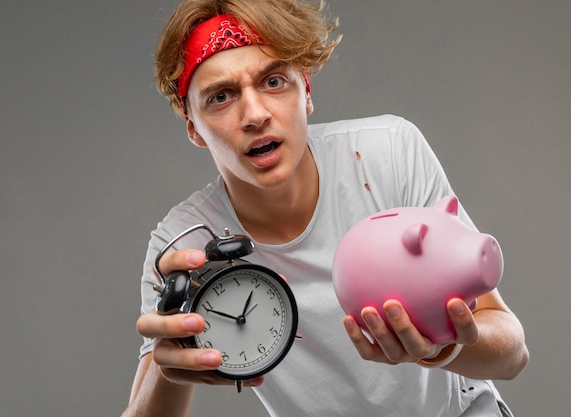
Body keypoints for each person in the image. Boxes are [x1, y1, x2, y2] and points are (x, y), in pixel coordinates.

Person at [122, 0, 529, 416]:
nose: (255, 114)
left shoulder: (388, 153)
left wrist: (440, 350)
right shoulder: (184, 243)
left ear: (306, 91)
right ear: (194, 128)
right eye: (221, 96)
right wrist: (166, 359)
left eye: (274, 81)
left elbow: (513, 352)